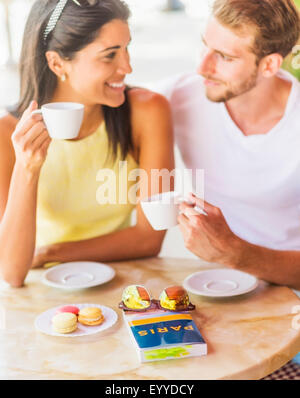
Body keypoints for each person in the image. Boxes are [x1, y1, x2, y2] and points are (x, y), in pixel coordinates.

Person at [0, 0, 174, 287]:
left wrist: (51, 253)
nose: (127, 67)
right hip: (48, 291)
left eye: (127, 48)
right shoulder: (8, 134)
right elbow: (11, 271)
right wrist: (27, 168)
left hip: (125, 282)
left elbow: (150, 236)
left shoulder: (148, 112)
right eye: (110, 56)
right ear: (57, 63)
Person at [154, 0, 300, 291]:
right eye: (205, 46)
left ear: (269, 64)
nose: (202, 67)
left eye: (224, 56)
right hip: (217, 288)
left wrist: (236, 253)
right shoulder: (178, 96)